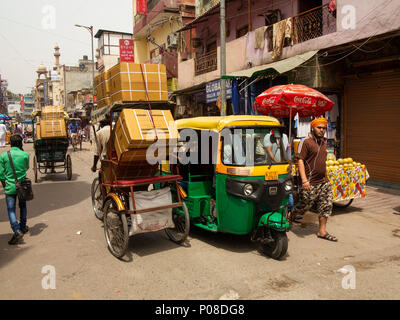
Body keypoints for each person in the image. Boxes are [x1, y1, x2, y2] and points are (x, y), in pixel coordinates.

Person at [290, 117, 337, 242]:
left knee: (326, 205)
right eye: (319, 128)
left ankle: (322, 231)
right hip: (310, 182)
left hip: (323, 181)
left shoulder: (323, 143)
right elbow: (299, 160)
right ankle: (291, 215)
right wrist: (304, 180)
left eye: (324, 128)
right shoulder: (305, 142)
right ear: (313, 128)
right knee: (305, 204)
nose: (322, 130)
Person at [0, 135, 30, 245]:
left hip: (9, 187)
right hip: (22, 186)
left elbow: (1, 175)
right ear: (21, 143)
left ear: (10, 143)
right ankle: (23, 227)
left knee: (11, 209)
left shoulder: (3, 156)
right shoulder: (25, 155)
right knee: (23, 206)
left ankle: (16, 229)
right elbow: (26, 168)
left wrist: (5, 185)